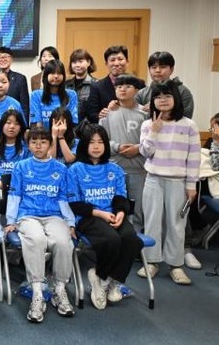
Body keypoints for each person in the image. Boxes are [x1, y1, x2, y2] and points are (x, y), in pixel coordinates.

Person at [67, 124, 143, 310]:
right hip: (88, 216)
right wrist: (100, 213)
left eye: (100, 142)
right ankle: (104, 278)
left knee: (132, 239)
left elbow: (121, 197)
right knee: (111, 239)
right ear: (84, 144)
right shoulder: (75, 169)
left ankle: (105, 279)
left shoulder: (115, 169)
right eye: (91, 142)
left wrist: (121, 213)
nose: (96, 146)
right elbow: (74, 203)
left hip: (113, 214)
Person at [5, 126, 76, 323]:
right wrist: (10, 221)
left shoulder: (61, 169)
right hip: (28, 215)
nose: (38, 146)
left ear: (50, 144)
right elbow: (14, 195)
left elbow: (63, 199)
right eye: (34, 142)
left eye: (43, 142)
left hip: (54, 216)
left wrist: (70, 223)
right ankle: (37, 292)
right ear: (28, 145)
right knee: (36, 239)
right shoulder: (21, 167)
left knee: (63, 242)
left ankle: (59, 290)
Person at [138, 81, 200, 285]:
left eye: (167, 96)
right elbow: (145, 152)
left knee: (176, 224)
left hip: (178, 182)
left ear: (176, 99)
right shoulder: (148, 124)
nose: (162, 100)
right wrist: (154, 131)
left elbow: (194, 159)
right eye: (158, 97)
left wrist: (191, 185)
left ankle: (176, 265)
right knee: (152, 221)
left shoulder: (188, 125)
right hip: (153, 179)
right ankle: (152, 262)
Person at [99, 74, 147, 231]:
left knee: (137, 210)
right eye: (119, 86)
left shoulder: (145, 113)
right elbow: (101, 141)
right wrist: (118, 147)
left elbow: (152, 140)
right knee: (113, 207)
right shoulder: (107, 113)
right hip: (114, 168)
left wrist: (137, 148)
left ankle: (136, 239)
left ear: (137, 90)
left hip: (138, 169)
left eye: (128, 86)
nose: (123, 89)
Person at [136, 51, 194, 119]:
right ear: (149, 70)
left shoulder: (183, 91)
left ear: (171, 69)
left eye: (163, 67)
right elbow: (134, 119)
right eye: (154, 67)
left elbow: (186, 118)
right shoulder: (141, 93)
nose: (157, 70)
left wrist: (155, 109)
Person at [0, 109, 30, 195]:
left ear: (21, 128)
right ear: (2, 125)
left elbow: (29, 172)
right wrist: (5, 187)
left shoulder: (26, 148)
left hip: (21, 187)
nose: (12, 126)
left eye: (16, 124)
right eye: (8, 123)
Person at [86, 45, 133, 123]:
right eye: (112, 60)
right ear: (106, 64)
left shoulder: (138, 84)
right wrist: (101, 115)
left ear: (127, 62)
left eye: (120, 59)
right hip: (106, 128)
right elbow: (91, 115)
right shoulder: (97, 87)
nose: (116, 63)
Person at [30, 59, 78, 129]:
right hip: (44, 134)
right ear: (46, 76)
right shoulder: (36, 95)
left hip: (66, 133)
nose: (56, 76)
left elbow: (73, 122)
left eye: (59, 73)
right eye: (52, 73)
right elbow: (38, 124)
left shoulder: (71, 94)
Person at [0, 46, 30, 122]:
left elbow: (24, 106)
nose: (3, 59)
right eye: (0, 57)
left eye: (6, 56)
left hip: (14, 120)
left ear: (11, 59)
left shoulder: (20, 79)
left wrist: (25, 125)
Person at [64, 48, 98, 124]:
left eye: (80, 61)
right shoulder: (65, 85)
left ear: (88, 62)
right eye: (74, 62)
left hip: (88, 127)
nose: (77, 65)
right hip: (68, 126)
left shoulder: (96, 84)